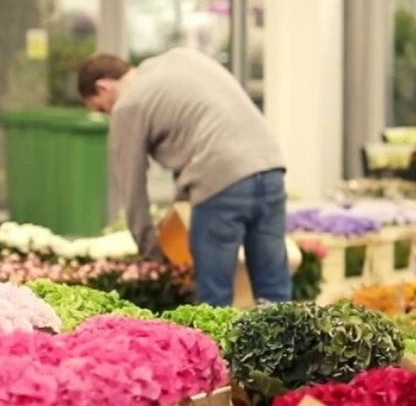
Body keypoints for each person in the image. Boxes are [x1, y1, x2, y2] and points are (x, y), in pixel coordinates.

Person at [78, 49, 290, 306]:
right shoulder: (181, 59)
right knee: (274, 294)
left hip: (220, 178)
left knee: (214, 300)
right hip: (270, 166)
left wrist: (153, 257)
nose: (108, 115)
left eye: (101, 109)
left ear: (104, 87)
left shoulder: (128, 104)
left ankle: (216, 346)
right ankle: (285, 344)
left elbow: (132, 188)